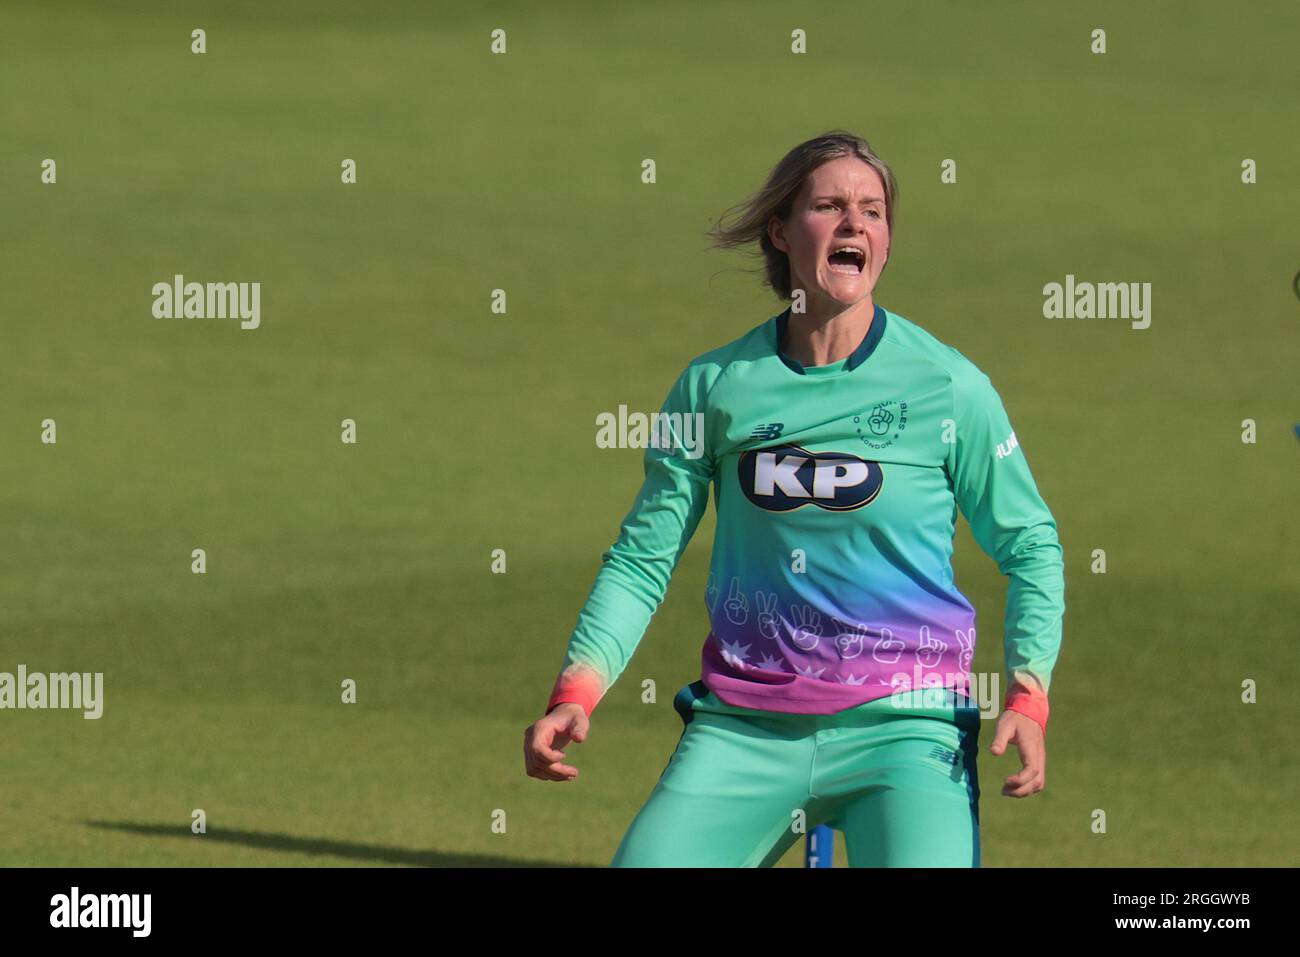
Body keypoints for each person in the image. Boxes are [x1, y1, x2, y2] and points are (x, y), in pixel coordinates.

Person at [523, 130, 1065, 867]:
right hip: (745, 728)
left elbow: (1030, 543)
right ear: (781, 231)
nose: (855, 224)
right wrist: (576, 689)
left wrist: (1028, 692)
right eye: (830, 206)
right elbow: (644, 558)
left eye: (873, 211)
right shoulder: (715, 386)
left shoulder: (948, 387)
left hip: (907, 730)